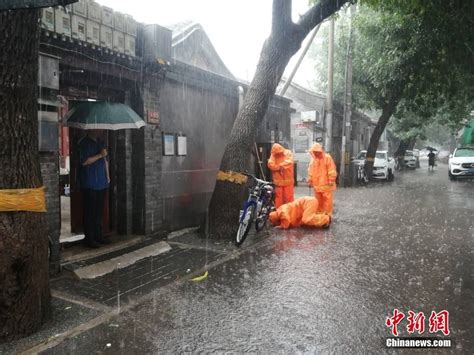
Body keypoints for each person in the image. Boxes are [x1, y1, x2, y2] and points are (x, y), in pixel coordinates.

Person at [79, 129, 110, 248]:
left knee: (98, 212)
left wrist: (107, 176)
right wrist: (100, 155)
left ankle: (99, 235)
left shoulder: (101, 142)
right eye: (98, 129)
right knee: (89, 212)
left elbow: (105, 160)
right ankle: (89, 238)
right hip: (89, 183)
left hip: (102, 182)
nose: (100, 131)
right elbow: (84, 162)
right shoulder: (83, 143)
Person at [307, 143, 337, 216]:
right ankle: (320, 214)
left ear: (320, 151)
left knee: (327, 201)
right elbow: (310, 171)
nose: (315, 153)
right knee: (318, 201)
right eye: (314, 152)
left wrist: (331, 180)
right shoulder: (313, 160)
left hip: (326, 185)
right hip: (317, 185)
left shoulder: (327, 158)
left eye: (316, 151)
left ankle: (327, 215)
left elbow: (331, 170)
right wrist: (310, 180)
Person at [267, 143, 294, 208]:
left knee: (289, 198)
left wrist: (278, 166)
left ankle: (290, 213)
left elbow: (289, 162)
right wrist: (280, 167)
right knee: (279, 199)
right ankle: (279, 213)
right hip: (279, 182)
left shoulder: (288, 153)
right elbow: (270, 165)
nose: (278, 154)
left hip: (288, 181)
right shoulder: (273, 154)